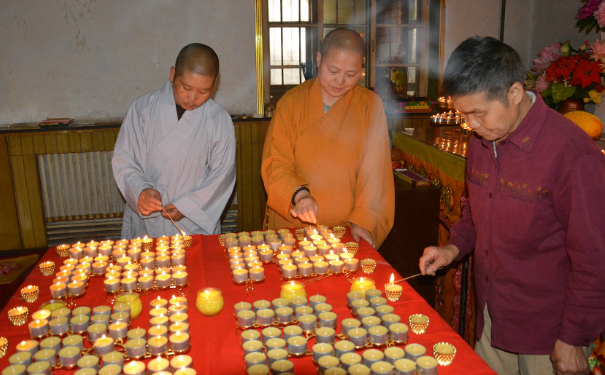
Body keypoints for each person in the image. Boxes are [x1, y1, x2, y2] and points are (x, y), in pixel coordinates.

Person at [419, 37, 605, 375]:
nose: (471, 126)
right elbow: (474, 212)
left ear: (515, 93)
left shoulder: (571, 154)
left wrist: (574, 338)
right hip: (493, 314)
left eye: (478, 114)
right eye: (465, 115)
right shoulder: (483, 140)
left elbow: (594, 256)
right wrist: (452, 249)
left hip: (548, 333)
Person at [261, 28, 394, 248]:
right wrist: (299, 194)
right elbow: (275, 162)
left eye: (351, 74)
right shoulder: (291, 103)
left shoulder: (369, 106)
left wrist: (363, 221)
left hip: (345, 229)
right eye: (333, 70)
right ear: (319, 59)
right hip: (293, 223)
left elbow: (376, 173)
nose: (340, 81)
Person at [112, 43, 236, 239]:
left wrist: (188, 207)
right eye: (186, 87)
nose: (193, 97)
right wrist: (140, 191)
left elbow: (222, 175)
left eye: (204, 92)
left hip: (192, 222)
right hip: (147, 218)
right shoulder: (142, 110)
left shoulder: (218, 120)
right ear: (172, 74)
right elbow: (125, 159)